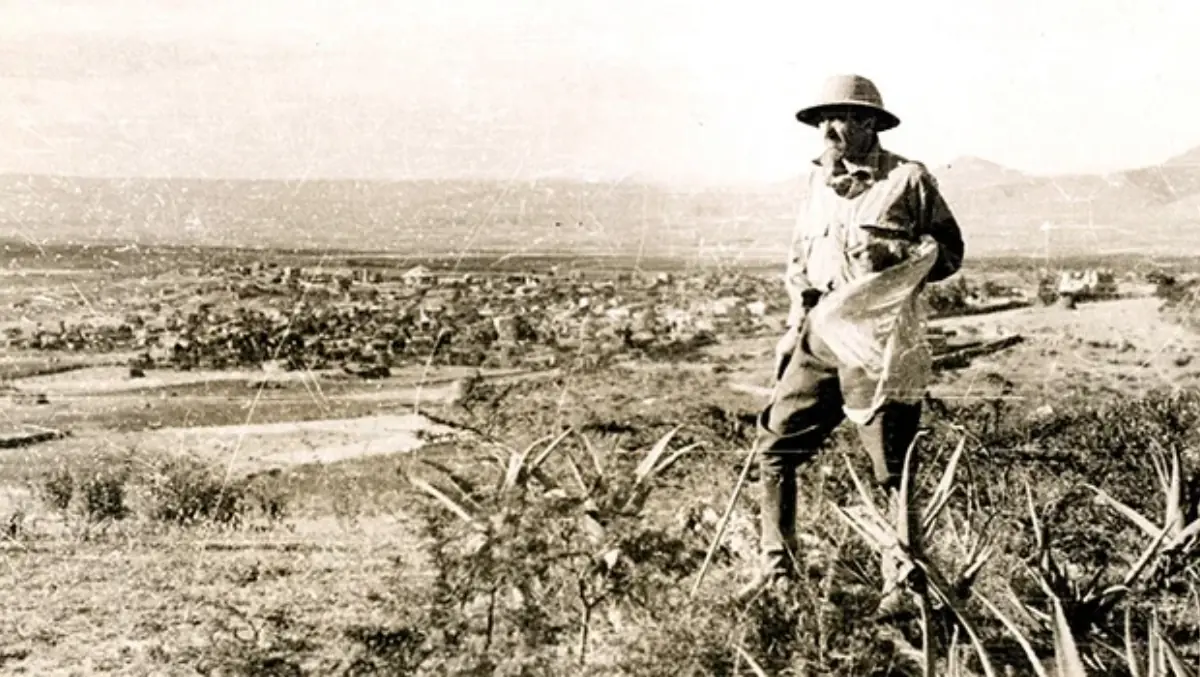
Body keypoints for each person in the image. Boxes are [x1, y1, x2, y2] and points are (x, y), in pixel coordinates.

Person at [739, 74, 965, 613]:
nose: (827, 129)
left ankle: (904, 586)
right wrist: (794, 325)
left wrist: (895, 279)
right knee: (775, 444)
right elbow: (801, 261)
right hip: (819, 334)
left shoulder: (908, 181)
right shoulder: (817, 184)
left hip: (878, 343)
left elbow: (949, 252)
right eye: (822, 119)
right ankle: (780, 572)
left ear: (869, 124)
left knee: (891, 466)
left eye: (839, 117)